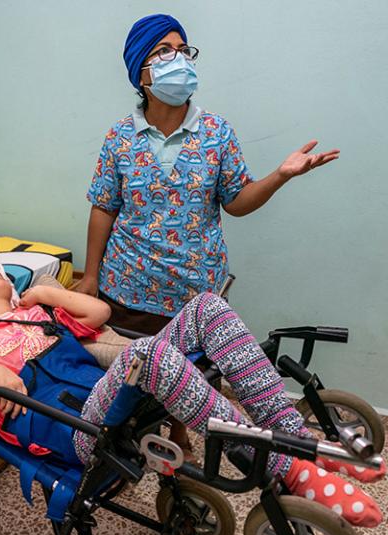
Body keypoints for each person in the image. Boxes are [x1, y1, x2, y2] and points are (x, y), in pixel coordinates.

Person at [0, 264, 383, 528]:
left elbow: (97, 313)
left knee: (206, 307)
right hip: (79, 430)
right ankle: (289, 468)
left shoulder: (38, 317)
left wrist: (46, 297)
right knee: (148, 354)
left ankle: (295, 436)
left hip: (108, 398)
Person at [76, 13, 340, 457]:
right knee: (142, 376)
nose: (177, 58)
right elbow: (104, 206)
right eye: (164, 51)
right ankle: (134, 441)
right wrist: (90, 276)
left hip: (195, 294)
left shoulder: (216, 132)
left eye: (183, 49)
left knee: (192, 377)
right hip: (129, 292)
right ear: (140, 71)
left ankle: (179, 437)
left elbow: (236, 201)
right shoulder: (119, 138)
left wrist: (281, 175)